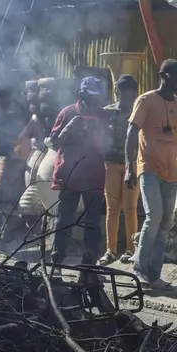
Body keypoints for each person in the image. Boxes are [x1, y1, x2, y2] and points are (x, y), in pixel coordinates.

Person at [125, 59, 177, 289]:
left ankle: (154, 274)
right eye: (175, 75)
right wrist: (129, 167)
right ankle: (139, 270)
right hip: (148, 169)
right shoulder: (146, 100)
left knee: (165, 224)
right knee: (154, 216)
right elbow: (131, 133)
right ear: (163, 75)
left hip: (171, 173)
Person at [49, 77, 110, 266]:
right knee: (64, 220)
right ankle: (57, 260)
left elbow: (109, 144)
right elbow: (53, 141)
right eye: (90, 98)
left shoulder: (103, 116)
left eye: (97, 98)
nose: (94, 102)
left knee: (92, 222)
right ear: (81, 94)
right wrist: (68, 130)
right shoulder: (68, 113)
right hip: (70, 175)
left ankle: (89, 263)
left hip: (94, 176)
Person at [98, 75, 140, 266]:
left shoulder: (139, 111)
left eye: (131, 94)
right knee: (112, 209)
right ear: (118, 93)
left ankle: (131, 250)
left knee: (130, 209)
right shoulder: (107, 112)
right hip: (111, 165)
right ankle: (111, 250)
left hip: (133, 165)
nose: (128, 98)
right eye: (124, 94)